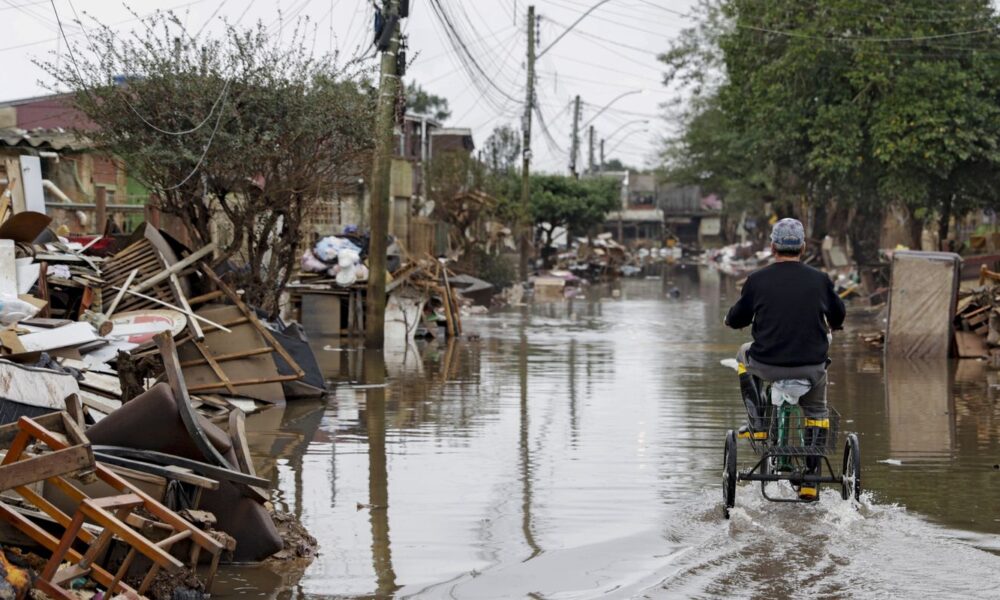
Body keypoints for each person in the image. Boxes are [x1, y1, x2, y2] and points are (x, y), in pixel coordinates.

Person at [724, 218, 846, 500]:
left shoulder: (757, 280)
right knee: (817, 413)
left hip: (767, 365)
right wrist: (834, 324)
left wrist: (729, 320)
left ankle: (758, 425)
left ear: (772, 247)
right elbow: (838, 315)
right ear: (802, 248)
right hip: (810, 366)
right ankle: (810, 481)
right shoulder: (820, 280)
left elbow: (738, 317)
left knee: (742, 353)